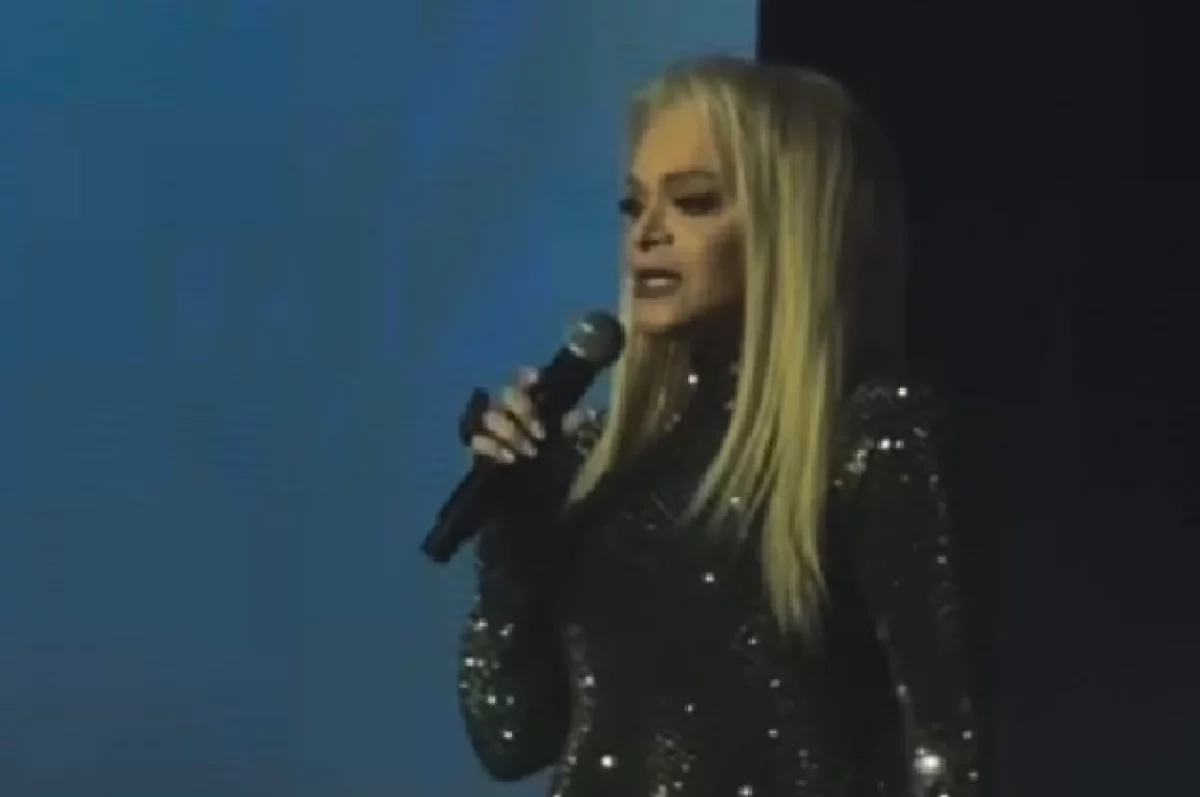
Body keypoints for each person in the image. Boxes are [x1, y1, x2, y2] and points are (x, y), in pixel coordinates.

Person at [454, 56, 980, 797]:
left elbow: (948, 744)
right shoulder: (593, 460)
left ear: (790, 225)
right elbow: (511, 735)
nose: (647, 234)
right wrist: (513, 527)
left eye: (694, 203)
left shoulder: (869, 437)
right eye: (633, 207)